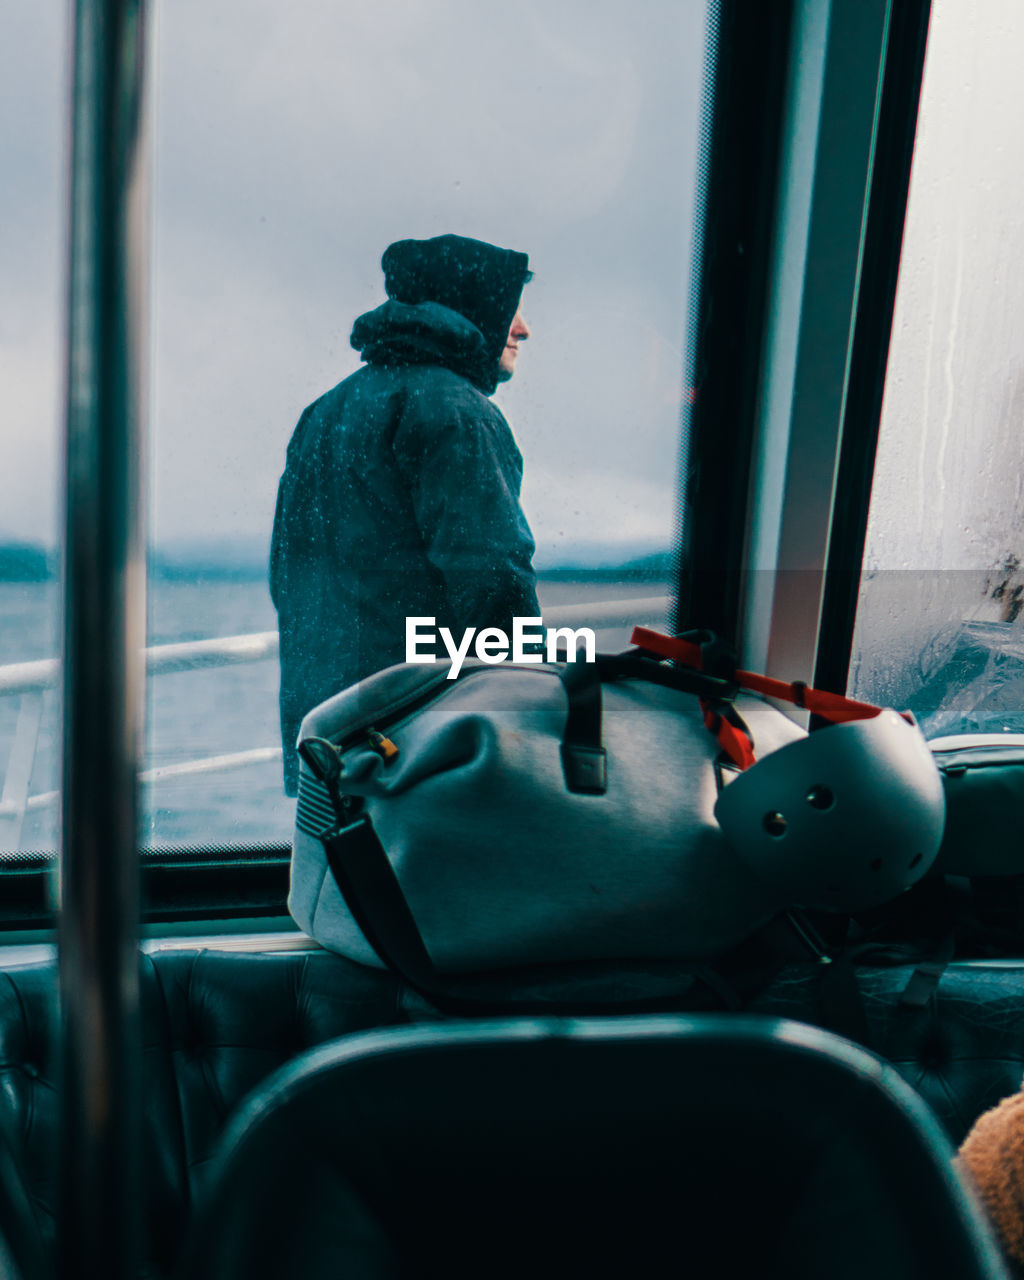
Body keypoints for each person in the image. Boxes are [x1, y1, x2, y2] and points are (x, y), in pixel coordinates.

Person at [270, 233, 541, 793]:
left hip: (326, 731)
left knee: (342, 877)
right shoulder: (458, 413)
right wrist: (531, 720)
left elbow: (287, 575)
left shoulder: (323, 412)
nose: (522, 328)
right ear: (472, 307)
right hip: (415, 741)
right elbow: (494, 582)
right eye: (510, 306)